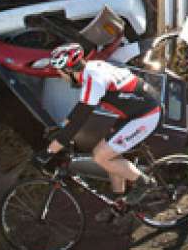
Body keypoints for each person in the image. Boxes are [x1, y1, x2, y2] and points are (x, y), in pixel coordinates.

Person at [38, 43, 161, 208]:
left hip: (146, 115)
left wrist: (48, 152)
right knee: (110, 155)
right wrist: (61, 127)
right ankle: (120, 203)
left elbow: (78, 122)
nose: (60, 76)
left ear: (68, 70)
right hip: (134, 112)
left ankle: (145, 183)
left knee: (100, 155)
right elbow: (78, 111)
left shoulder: (93, 81)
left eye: (59, 72)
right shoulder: (92, 68)